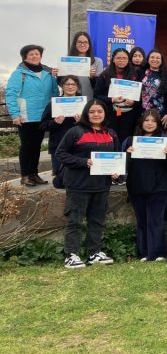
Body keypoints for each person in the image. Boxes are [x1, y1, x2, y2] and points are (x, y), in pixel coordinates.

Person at [57, 99, 120, 269]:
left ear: (105, 114)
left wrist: (116, 171)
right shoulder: (75, 131)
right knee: (75, 220)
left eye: (99, 111)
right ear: (86, 113)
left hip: (101, 185)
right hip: (78, 184)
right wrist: (83, 161)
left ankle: (94, 253)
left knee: (97, 220)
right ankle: (71, 255)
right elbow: (61, 154)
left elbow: (117, 157)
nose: (96, 114)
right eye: (92, 111)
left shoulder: (111, 134)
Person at [7, 44, 60, 186]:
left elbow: (55, 93)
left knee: (36, 146)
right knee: (26, 146)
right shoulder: (19, 73)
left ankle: (34, 174)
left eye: (37, 54)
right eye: (31, 54)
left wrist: (56, 111)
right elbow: (11, 94)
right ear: (25, 57)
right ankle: (25, 175)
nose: (34, 56)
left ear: (41, 56)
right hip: (26, 116)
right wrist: (14, 114)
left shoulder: (48, 73)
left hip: (43, 116)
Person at [124, 109, 167, 262]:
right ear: (141, 122)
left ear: (158, 124)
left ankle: (157, 253)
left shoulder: (165, 140)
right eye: (147, 120)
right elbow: (123, 165)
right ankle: (144, 253)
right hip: (137, 185)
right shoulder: (131, 141)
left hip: (159, 186)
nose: (150, 123)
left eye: (153, 121)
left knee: (155, 220)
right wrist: (128, 154)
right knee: (142, 221)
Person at [39, 76, 81, 189]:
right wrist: (55, 122)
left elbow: (94, 125)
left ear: (77, 87)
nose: (70, 87)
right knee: (60, 181)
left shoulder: (84, 105)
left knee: (78, 178)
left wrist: (81, 122)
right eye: (67, 84)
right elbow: (42, 125)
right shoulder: (53, 104)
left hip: (79, 146)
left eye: (73, 84)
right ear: (62, 86)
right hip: (58, 145)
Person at [94, 47, 140, 146]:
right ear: (113, 59)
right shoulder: (104, 75)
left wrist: (133, 102)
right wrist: (111, 99)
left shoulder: (135, 75)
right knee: (111, 137)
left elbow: (140, 96)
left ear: (128, 60)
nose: (121, 60)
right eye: (118, 58)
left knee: (125, 138)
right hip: (110, 113)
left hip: (129, 114)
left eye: (124, 58)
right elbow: (97, 95)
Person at [139, 49, 167, 130]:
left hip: (160, 114)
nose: (155, 60)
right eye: (152, 57)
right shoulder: (140, 73)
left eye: (158, 58)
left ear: (161, 61)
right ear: (148, 60)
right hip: (142, 113)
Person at [65, 31, 104, 100]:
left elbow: (99, 87)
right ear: (75, 44)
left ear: (89, 45)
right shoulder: (67, 61)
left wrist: (92, 78)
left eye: (85, 42)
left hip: (90, 101)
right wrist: (58, 75)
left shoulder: (98, 62)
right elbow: (62, 83)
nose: (82, 45)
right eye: (79, 42)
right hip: (71, 101)